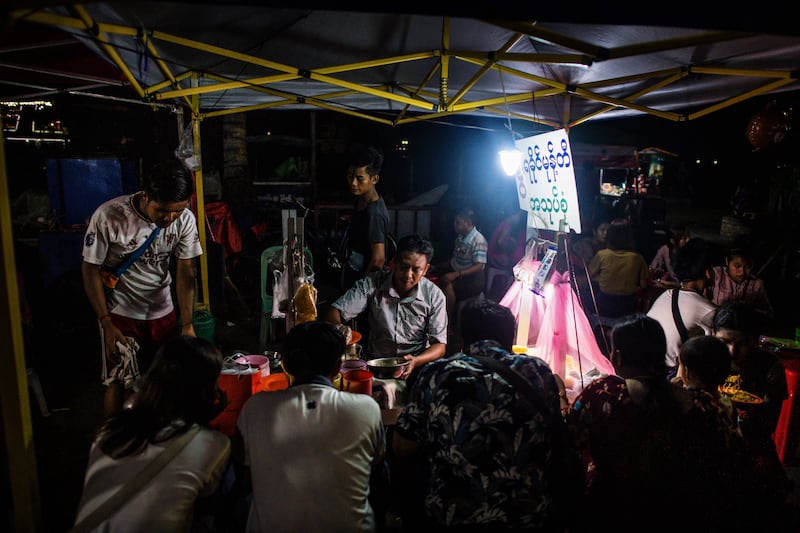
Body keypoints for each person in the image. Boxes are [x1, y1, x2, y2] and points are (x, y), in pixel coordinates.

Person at [392, 298, 580, 531]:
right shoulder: (537, 372)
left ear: (462, 338)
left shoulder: (437, 373)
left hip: (453, 516)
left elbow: (402, 446)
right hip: (527, 516)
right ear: (509, 338)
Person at [565, 314, 757, 531]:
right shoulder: (704, 404)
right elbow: (731, 458)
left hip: (614, 510)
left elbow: (567, 438)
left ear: (617, 356)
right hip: (684, 514)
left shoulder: (604, 394)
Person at [233, 320, 385, 533]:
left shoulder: (255, 408)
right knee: (381, 472)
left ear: (286, 365)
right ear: (336, 368)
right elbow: (376, 463)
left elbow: (243, 474)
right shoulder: (366, 408)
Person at [81, 158, 203, 417]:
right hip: (120, 316)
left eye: (177, 211)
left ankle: (158, 440)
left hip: (163, 313)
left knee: (167, 381)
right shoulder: (109, 216)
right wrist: (105, 321)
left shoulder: (186, 220)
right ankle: (113, 443)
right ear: (146, 195)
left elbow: (185, 272)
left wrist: (188, 323)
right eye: (163, 211)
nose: (170, 218)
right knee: (117, 381)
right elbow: (90, 268)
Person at [72, 336, 231, 532]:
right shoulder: (213, 444)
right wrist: (208, 417)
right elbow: (207, 492)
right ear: (206, 391)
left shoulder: (111, 429)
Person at [326, 233, 447, 379]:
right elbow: (334, 311)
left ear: (426, 269)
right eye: (403, 267)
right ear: (394, 263)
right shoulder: (373, 283)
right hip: (376, 364)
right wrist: (339, 328)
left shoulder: (435, 296)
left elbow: (439, 346)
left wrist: (416, 361)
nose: (408, 275)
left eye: (416, 269)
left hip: (417, 366)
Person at [712, 301, 792, 515]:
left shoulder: (769, 366)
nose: (732, 350)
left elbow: (768, 423)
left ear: (754, 340)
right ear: (713, 335)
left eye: (741, 343)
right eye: (724, 341)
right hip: (711, 442)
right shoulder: (706, 356)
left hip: (751, 443)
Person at [646, 237, 717, 375]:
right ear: (708, 272)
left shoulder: (667, 293)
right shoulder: (709, 310)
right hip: (669, 373)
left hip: (646, 363)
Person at [341, 144, 391, 290]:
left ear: (374, 179)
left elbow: (378, 259)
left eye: (359, 178)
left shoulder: (374, 212)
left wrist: (361, 288)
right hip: (354, 268)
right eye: (350, 177)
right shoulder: (361, 200)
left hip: (364, 280)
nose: (353, 183)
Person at [431, 208, 488, 330]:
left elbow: (479, 266)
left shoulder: (478, 240)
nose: (454, 225)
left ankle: (447, 322)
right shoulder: (460, 238)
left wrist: (457, 274)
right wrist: (436, 267)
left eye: (458, 222)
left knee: (447, 283)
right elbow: (454, 260)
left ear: (468, 223)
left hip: (473, 280)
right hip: (459, 273)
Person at [587, 218, 650, 317]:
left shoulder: (602, 255)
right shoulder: (638, 258)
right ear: (630, 237)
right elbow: (643, 285)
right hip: (627, 307)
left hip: (603, 305)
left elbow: (588, 275)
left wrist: (604, 280)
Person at [711, 244, 775, 319]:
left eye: (748, 267)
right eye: (737, 266)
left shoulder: (756, 284)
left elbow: (769, 314)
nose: (742, 272)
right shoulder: (716, 276)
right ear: (727, 261)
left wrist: (749, 309)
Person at [485, 208, 528, 300]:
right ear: (513, 215)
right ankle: (507, 292)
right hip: (494, 258)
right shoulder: (507, 226)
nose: (519, 218)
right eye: (518, 216)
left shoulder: (503, 224)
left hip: (490, 256)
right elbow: (500, 242)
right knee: (514, 267)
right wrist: (504, 254)